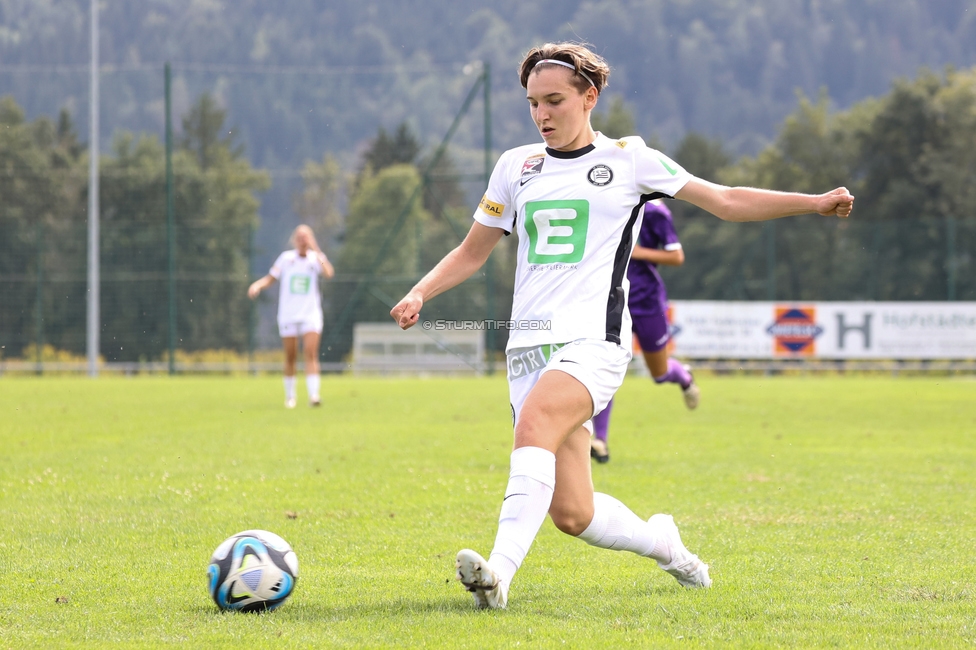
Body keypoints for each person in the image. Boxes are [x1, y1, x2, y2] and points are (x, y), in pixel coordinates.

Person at [390, 42, 853, 609]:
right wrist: (420, 291)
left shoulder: (633, 161)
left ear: (590, 97)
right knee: (573, 513)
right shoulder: (516, 166)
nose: (542, 115)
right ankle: (668, 546)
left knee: (536, 421)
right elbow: (471, 251)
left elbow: (727, 200)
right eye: (533, 103)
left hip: (595, 342)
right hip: (527, 348)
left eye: (554, 100)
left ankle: (499, 578)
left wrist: (813, 202)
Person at [590, 198, 696, 464]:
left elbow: (676, 256)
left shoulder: (655, 211)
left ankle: (683, 376)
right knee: (606, 366)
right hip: (609, 300)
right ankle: (599, 440)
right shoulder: (602, 200)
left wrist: (635, 252)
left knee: (659, 374)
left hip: (647, 301)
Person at [248, 225, 334, 408]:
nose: (303, 241)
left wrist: (316, 249)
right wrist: (257, 285)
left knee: (311, 353)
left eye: (307, 237)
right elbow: (270, 278)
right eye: (300, 237)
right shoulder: (286, 259)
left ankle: (314, 396)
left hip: (310, 314)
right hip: (288, 315)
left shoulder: (315, 259)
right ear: (294, 240)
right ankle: (290, 396)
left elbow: (328, 273)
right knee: (291, 356)